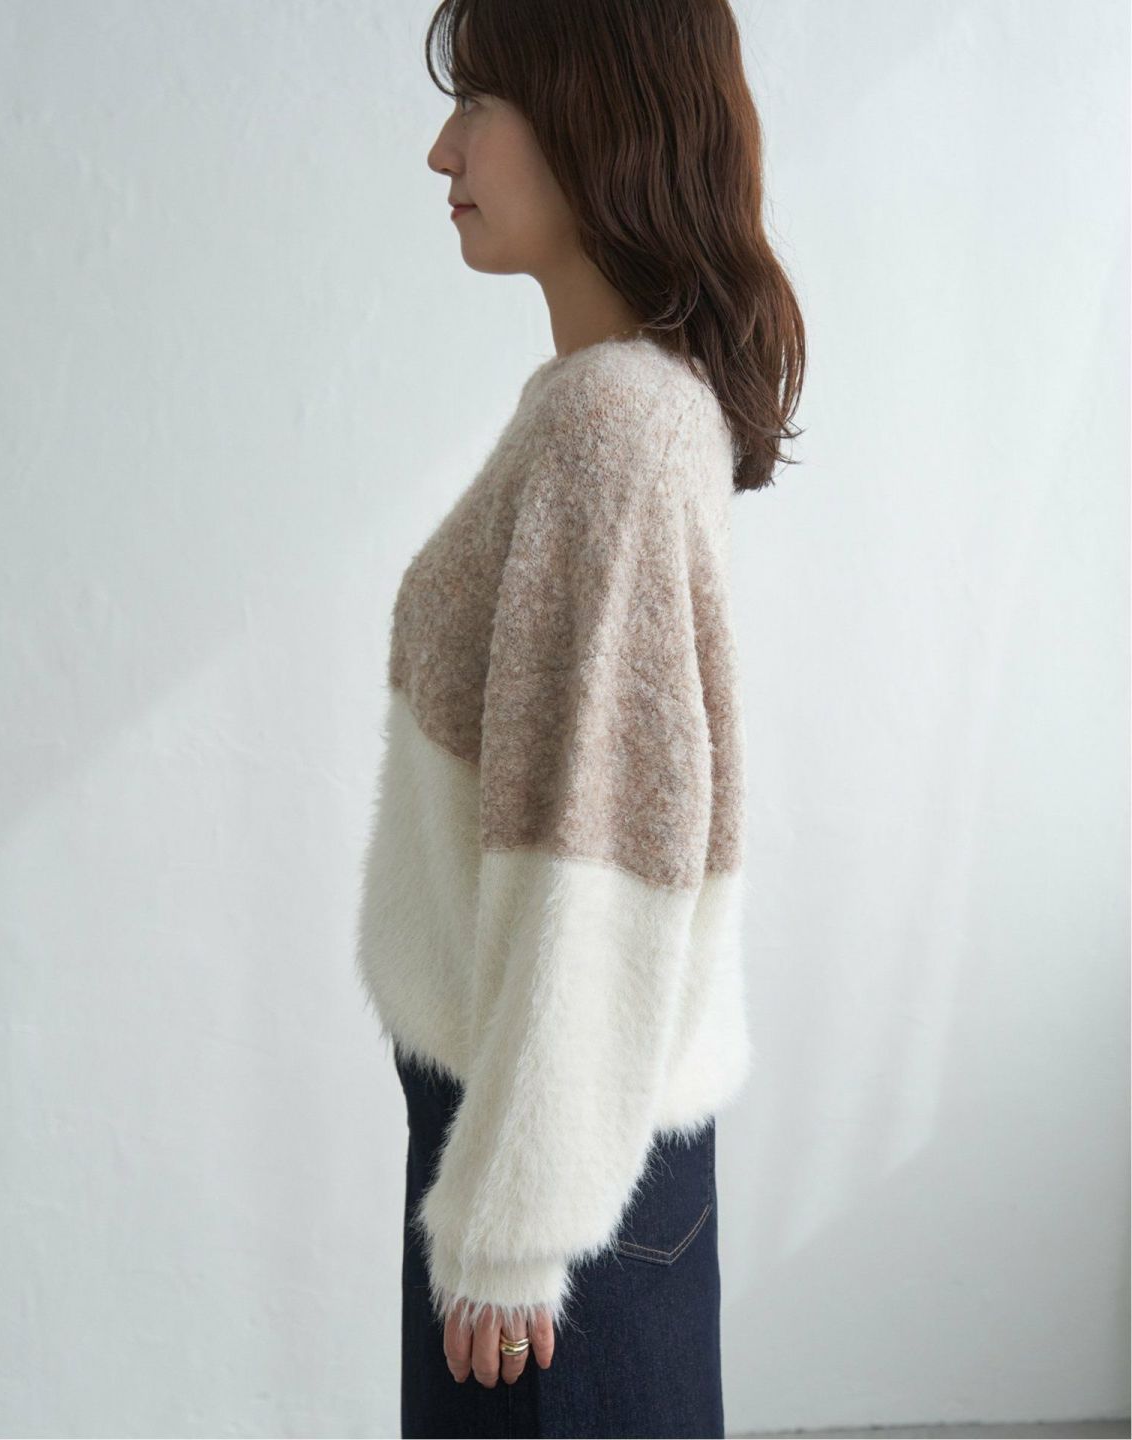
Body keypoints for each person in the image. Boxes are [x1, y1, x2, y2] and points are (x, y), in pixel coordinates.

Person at [353, 1, 804, 1434]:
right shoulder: (635, 405)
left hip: (553, 1177)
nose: (443, 150)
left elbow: (597, 845)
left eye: (479, 102)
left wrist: (513, 1226)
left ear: (595, 118)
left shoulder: (611, 425)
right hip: (580, 1139)